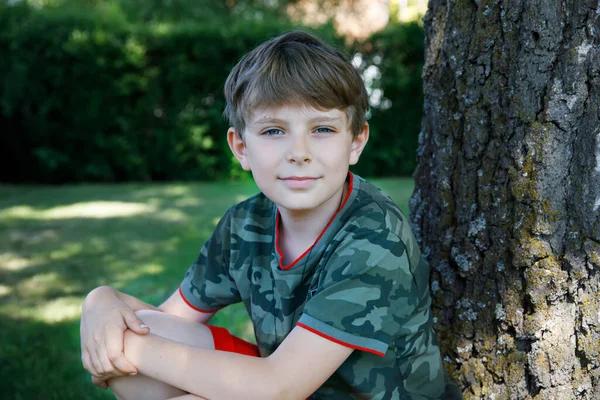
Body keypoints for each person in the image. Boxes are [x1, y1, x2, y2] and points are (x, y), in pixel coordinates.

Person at [80, 30, 462, 400]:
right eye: (275, 131)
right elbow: (167, 321)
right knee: (143, 346)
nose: (299, 151)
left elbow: (278, 388)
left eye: (323, 129)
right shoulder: (244, 224)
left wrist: (122, 349)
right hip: (282, 386)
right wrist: (100, 303)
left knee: (132, 353)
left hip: (296, 388)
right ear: (241, 147)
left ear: (356, 142)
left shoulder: (375, 238)